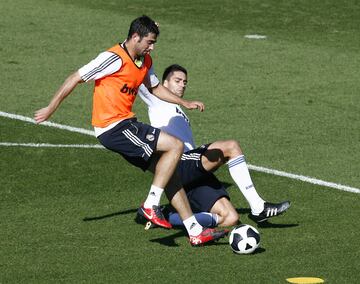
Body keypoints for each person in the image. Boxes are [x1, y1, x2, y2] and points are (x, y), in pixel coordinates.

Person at [34, 16, 228, 246]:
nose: (152, 46)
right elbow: (75, 77)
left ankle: (195, 231)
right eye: (149, 41)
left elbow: (154, 87)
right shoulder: (112, 58)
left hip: (127, 124)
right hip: (113, 127)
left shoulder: (145, 60)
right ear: (135, 37)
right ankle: (151, 205)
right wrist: (50, 108)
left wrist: (183, 102)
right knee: (175, 145)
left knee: (169, 173)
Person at [137, 64, 291, 228]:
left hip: (191, 173)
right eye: (177, 80)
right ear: (164, 83)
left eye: (185, 82)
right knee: (231, 147)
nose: (182, 84)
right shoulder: (157, 99)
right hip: (179, 163)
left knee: (229, 217)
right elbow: (138, 79)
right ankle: (258, 207)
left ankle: (166, 216)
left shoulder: (178, 109)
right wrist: (135, 58)